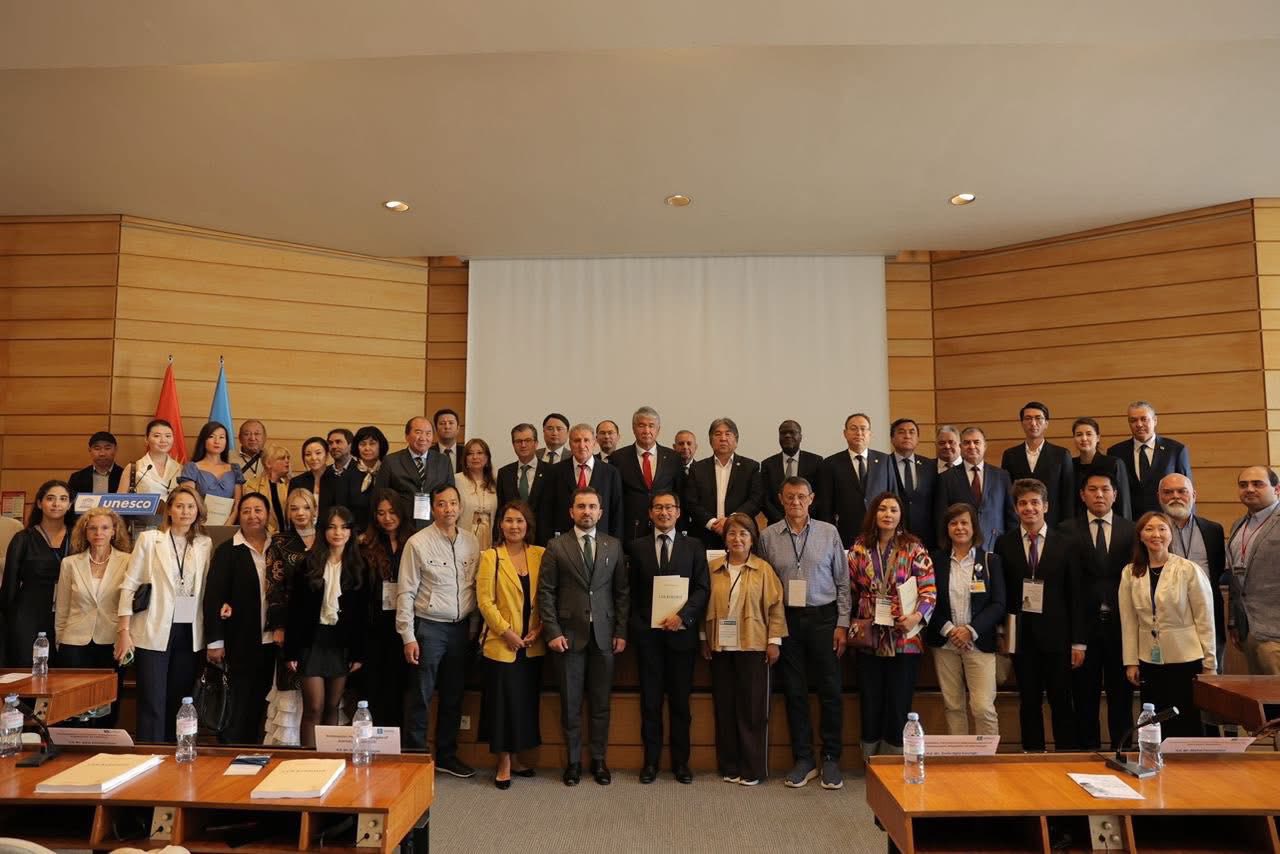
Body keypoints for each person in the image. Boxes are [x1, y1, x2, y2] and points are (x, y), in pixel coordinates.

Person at [756, 476, 850, 789]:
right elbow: (765, 587)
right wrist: (772, 631)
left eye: (801, 496)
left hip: (824, 618)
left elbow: (843, 582)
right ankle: (804, 759)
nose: (795, 502)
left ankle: (831, 758)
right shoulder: (768, 536)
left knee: (830, 690)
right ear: (780, 499)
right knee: (794, 692)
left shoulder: (829, 532)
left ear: (811, 498)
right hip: (787, 620)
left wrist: (842, 624)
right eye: (789, 497)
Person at [537, 486, 629, 787]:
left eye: (592, 507)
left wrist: (621, 631)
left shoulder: (613, 545)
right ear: (571, 512)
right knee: (571, 703)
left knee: (601, 703)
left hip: (605, 636)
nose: (586, 511)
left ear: (600, 512)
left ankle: (599, 760)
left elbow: (621, 592)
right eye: (581, 506)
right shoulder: (556, 546)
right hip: (568, 637)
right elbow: (546, 593)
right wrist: (552, 632)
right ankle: (574, 762)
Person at [994, 479, 1088, 752]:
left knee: (1062, 700)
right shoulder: (1004, 543)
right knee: (1029, 701)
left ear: (1046, 506)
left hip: (1059, 638)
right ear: (1015, 508)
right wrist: (1002, 633)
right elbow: (1002, 593)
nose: (1029, 508)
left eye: (1035, 502)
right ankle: (1031, 755)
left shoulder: (1067, 544)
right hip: (1022, 637)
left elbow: (1076, 595)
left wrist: (1078, 642)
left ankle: (1066, 755)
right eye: (1023, 503)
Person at [116, 484, 213, 743]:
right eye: (179, 506)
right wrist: (124, 631)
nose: (185, 511)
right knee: (152, 697)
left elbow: (206, 586)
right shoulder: (150, 539)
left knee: (180, 698)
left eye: (191, 506)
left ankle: (174, 749)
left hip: (188, 628)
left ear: (198, 511)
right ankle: (151, 751)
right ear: (169, 510)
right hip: (153, 626)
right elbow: (130, 584)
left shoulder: (204, 543)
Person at [625, 491, 709, 785]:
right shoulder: (636, 547)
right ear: (650, 513)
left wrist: (683, 617)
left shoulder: (694, 546)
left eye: (669, 507)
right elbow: (630, 593)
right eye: (658, 508)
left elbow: (702, 588)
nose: (664, 512)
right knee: (650, 703)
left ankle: (681, 763)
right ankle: (651, 762)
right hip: (648, 638)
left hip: (681, 637)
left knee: (680, 703)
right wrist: (639, 625)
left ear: (678, 512)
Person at [397, 484, 479, 777]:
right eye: (442, 504)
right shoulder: (417, 543)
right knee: (421, 695)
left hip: (461, 630)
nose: (449, 509)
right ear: (433, 508)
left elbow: (474, 587)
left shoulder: (471, 541)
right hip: (429, 628)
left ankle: (446, 755)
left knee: (453, 696)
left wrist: (474, 627)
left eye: (453, 503)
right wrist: (407, 636)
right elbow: (406, 591)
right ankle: (416, 757)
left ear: (460, 506)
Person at [849, 492, 936, 759]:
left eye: (893, 510)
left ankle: (894, 759)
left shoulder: (914, 548)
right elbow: (850, 588)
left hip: (904, 635)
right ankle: (870, 758)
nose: (888, 514)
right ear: (874, 513)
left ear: (901, 516)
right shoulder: (859, 547)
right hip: (869, 634)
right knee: (870, 699)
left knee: (899, 701)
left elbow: (929, 589)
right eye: (883, 509)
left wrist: (917, 616)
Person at [702, 512, 785, 787]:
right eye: (732, 533)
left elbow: (776, 608)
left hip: (754, 645)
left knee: (752, 709)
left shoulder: (764, 569)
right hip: (720, 646)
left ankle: (752, 768)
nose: (737, 539)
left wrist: (774, 641)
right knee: (725, 707)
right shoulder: (712, 568)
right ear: (725, 539)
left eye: (743, 534)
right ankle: (730, 765)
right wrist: (704, 638)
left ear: (752, 539)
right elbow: (702, 605)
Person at [1119, 511, 1216, 737]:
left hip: (1186, 658)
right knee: (1154, 719)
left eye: (1162, 529)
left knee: (1186, 718)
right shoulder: (1130, 573)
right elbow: (1129, 621)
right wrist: (1131, 661)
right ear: (1140, 535)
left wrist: (1210, 663)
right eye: (1149, 529)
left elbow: (1205, 618)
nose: (1156, 534)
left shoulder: (1188, 569)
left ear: (1170, 535)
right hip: (1149, 659)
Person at [1061, 471, 1137, 750]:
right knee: (1084, 696)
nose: (1099, 494)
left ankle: (1123, 749)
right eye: (1092, 489)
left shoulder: (1132, 530)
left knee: (1121, 696)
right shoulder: (1066, 531)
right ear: (1082, 495)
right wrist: (1074, 637)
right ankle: (1087, 751)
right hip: (1084, 628)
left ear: (1115, 494)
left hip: (1121, 627)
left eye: (1105, 489)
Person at [283, 506, 368, 748]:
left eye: (343, 527)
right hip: (311, 641)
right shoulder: (308, 564)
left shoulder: (360, 566)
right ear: (323, 531)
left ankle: (328, 759)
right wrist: (291, 651)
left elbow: (363, 616)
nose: (337, 532)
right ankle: (309, 758)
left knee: (333, 705)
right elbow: (295, 611)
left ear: (351, 531)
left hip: (341, 643)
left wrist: (358, 653)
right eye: (331, 527)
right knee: (314, 706)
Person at [476, 501, 546, 789]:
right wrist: (507, 633)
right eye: (509, 520)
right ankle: (503, 762)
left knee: (523, 704)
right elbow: (485, 601)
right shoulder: (491, 557)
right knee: (502, 705)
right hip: (502, 644)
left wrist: (539, 629)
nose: (514, 526)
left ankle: (517, 758)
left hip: (532, 644)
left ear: (528, 525)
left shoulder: (540, 554)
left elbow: (547, 596)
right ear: (500, 525)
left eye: (519, 521)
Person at [927, 503, 1004, 736]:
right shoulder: (934, 561)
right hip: (945, 644)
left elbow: (998, 604)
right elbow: (927, 600)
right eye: (953, 523)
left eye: (964, 523)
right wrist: (950, 630)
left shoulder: (990, 561)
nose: (959, 528)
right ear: (947, 528)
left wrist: (970, 630)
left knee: (983, 707)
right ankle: (959, 757)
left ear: (974, 527)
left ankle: (987, 757)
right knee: (953, 706)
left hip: (979, 643)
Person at [204, 493, 275, 744]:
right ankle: (230, 754)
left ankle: (256, 754)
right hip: (240, 640)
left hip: (274, 641)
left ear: (267, 514)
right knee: (238, 703)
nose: (252, 516)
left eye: (258, 510)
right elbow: (214, 597)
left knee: (263, 705)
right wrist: (215, 642)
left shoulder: (279, 547)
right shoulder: (227, 551)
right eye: (246, 511)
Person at [54, 506, 130, 726]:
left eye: (105, 528)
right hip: (74, 642)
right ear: (85, 532)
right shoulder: (70, 563)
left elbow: (131, 604)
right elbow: (62, 607)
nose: (99, 533)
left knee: (108, 703)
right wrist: (60, 640)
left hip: (112, 641)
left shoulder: (128, 561)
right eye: (93, 528)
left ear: (114, 531)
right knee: (73, 704)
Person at [262, 488, 319, 745]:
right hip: (290, 623)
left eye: (305, 507)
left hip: (322, 625)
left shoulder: (327, 537)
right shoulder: (280, 542)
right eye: (294, 508)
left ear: (314, 510)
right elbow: (273, 586)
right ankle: (292, 747)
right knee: (292, 685)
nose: (300, 513)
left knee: (320, 693)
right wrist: (278, 625)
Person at [357, 489, 413, 732]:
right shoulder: (365, 544)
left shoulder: (413, 541)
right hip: (373, 625)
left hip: (404, 625)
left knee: (399, 687)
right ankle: (372, 739)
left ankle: (396, 741)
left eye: (392, 512)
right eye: (381, 513)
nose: (387, 518)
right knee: (373, 687)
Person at [1159, 473, 1227, 674]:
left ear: (1194, 495)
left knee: (1211, 679)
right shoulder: (1149, 531)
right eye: (1168, 492)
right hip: (1168, 620)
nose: (1175, 496)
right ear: (1159, 497)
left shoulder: (1213, 530)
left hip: (1208, 615)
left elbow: (1218, 571)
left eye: (1182, 491)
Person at [1, 480, 72, 664]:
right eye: (50, 498)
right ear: (40, 503)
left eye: (63, 499)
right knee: (27, 669)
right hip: (28, 615)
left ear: (70, 505)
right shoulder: (23, 539)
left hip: (67, 614)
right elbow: (10, 585)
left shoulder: (78, 538)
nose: (56, 504)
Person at [1225, 466, 1280, 675]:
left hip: (1276, 633)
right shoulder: (1238, 525)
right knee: (1260, 694)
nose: (1249, 489)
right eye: (1243, 485)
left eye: (1257, 484)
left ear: (1277, 489)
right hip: (1248, 631)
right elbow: (1236, 580)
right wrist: (1234, 622)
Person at [684, 418, 764, 549]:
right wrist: (712, 523)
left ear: (736, 440)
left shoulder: (750, 467)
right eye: (718, 434)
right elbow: (691, 502)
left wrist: (731, 521)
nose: (723, 438)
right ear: (711, 441)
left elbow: (756, 500)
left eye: (728, 434)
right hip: (704, 534)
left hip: (740, 534)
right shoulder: (697, 468)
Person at [815, 413, 891, 548]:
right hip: (845, 535)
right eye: (853, 428)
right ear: (845, 433)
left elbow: (893, 497)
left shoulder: (885, 461)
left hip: (881, 533)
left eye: (863, 428)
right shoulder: (831, 463)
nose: (859, 433)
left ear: (870, 433)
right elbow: (826, 506)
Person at [1106, 401, 1193, 518]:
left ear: (1155, 420)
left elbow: (1187, 492)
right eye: (1133, 420)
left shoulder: (1175, 450)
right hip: (1129, 522)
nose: (1139, 424)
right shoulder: (1116, 452)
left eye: (1144, 419)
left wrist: (1188, 523)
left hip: (1166, 521)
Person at [611, 406, 685, 542]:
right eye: (641, 425)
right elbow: (615, 498)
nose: (646, 430)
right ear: (633, 429)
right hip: (631, 529)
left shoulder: (673, 458)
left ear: (658, 430)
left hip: (665, 526)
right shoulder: (618, 458)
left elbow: (679, 494)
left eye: (651, 426)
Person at [935, 427, 1015, 550]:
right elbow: (941, 517)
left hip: (996, 546)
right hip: (960, 547)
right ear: (960, 447)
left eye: (976, 442)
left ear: (985, 446)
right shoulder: (946, 478)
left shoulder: (1001, 476)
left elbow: (1011, 515)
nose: (972, 446)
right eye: (967, 443)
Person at [543, 423, 624, 542]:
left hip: (601, 540)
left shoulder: (610, 473)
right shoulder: (555, 472)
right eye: (577, 441)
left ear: (594, 443)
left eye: (586, 440)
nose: (582, 445)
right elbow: (547, 511)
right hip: (564, 541)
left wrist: (616, 544)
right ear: (570, 444)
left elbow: (617, 512)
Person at [1000, 402, 1076, 526]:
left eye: (1038, 418)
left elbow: (1068, 496)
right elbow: (1008, 495)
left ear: (1046, 423)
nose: (1033, 423)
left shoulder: (1061, 455)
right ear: (1022, 423)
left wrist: (1066, 528)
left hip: (1053, 526)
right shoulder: (1010, 455)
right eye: (1028, 418)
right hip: (1020, 525)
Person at [374, 417, 455, 530]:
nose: (423, 438)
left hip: (435, 525)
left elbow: (451, 494)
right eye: (418, 432)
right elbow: (379, 496)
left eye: (428, 433)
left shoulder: (443, 461)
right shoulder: (391, 461)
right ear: (407, 436)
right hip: (401, 526)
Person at [179, 421, 244, 526]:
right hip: (198, 524)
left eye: (221, 437)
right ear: (203, 440)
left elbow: (238, 503)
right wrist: (200, 523)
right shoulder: (192, 468)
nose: (217, 441)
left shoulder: (235, 469)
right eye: (211, 436)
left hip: (229, 526)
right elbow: (187, 500)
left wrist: (228, 525)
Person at [760, 420, 823, 525]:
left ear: (800, 437)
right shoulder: (768, 464)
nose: (787, 436)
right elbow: (765, 499)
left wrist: (802, 517)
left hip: (809, 524)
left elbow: (820, 495)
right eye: (783, 433)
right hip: (776, 524)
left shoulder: (816, 462)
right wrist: (782, 521)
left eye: (792, 432)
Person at [888, 418, 938, 549]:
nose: (907, 436)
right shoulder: (884, 464)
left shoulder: (930, 466)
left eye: (912, 432)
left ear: (918, 439)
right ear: (892, 438)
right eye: (901, 432)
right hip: (893, 534)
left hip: (926, 537)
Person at [1070, 416, 1133, 520]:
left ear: (1098, 437)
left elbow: (1123, 503)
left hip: (1109, 523)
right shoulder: (1070, 465)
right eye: (1079, 434)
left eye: (1089, 434)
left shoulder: (1113, 463)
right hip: (1077, 523)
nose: (1084, 438)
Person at [497, 423, 551, 540]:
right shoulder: (504, 473)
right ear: (513, 445)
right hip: (512, 539)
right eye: (518, 441)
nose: (523, 445)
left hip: (543, 539)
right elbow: (500, 510)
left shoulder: (551, 472)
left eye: (528, 440)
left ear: (536, 443)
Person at [125, 418, 183, 497]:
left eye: (168, 436)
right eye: (157, 436)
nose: (163, 440)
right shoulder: (133, 468)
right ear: (146, 439)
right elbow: (120, 501)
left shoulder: (180, 468)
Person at [458, 438, 498, 548]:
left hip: (489, 537)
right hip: (464, 537)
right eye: (470, 454)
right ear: (465, 459)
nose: (475, 457)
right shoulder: (456, 480)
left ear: (487, 458)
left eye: (480, 453)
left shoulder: (495, 482)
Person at [349, 425, 389, 531]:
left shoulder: (389, 470)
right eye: (362, 444)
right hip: (356, 532)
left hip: (385, 530)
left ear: (380, 446)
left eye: (372, 443)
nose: (367, 448)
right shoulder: (348, 472)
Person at [246, 444, 291, 536]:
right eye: (282, 458)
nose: (287, 461)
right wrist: (273, 533)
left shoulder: (291, 484)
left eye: (288, 458)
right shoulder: (253, 485)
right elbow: (254, 513)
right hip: (264, 536)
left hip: (290, 536)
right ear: (268, 463)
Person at [67, 431, 124, 498]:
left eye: (107, 448)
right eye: (97, 449)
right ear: (90, 450)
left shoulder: (125, 476)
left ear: (115, 449)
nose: (102, 453)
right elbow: (70, 502)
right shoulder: (77, 478)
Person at [324, 428, 361, 516]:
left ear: (350, 445)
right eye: (330, 443)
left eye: (338, 442)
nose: (333, 446)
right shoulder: (324, 473)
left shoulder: (362, 471)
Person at [288, 437, 330, 511]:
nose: (313, 458)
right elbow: (291, 510)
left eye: (318, 453)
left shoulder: (337, 479)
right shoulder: (296, 482)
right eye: (308, 454)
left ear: (327, 455)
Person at [433, 408, 464, 472]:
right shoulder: (428, 453)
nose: (447, 427)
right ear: (436, 429)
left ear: (458, 428)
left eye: (451, 423)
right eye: (442, 423)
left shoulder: (466, 453)